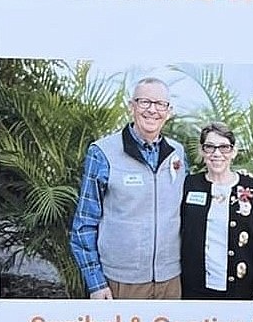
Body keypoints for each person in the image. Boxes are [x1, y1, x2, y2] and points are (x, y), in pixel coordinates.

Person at [69, 76, 187, 299]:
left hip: (171, 280)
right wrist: (95, 284)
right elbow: (84, 224)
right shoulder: (102, 153)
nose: (153, 110)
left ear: (168, 111)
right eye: (145, 102)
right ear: (131, 106)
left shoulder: (177, 153)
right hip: (120, 283)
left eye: (160, 104)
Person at [180, 122, 253, 300]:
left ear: (234, 152)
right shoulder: (188, 185)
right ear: (202, 151)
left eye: (224, 147)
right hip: (194, 292)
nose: (217, 154)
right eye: (209, 147)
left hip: (241, 293)